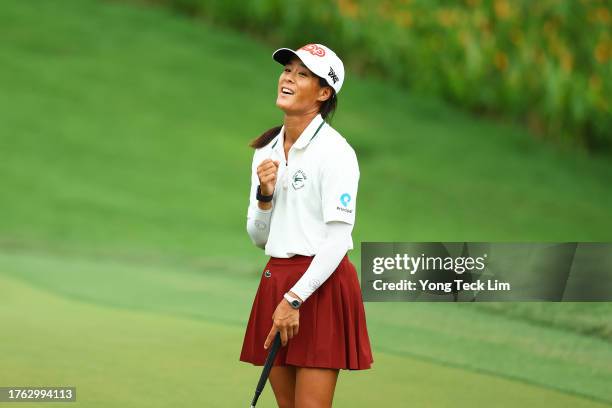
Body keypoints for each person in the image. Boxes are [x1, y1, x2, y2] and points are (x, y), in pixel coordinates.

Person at [239, 43, 373, 408]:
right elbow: (258, 236)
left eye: (302, 74)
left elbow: (338, 238)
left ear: (324, 92)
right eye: (287, 70)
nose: (288, 78)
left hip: (321, 286)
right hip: (277, 278)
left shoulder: (336, 152)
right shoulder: (265, 150)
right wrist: (265, 197)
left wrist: (294, 298)